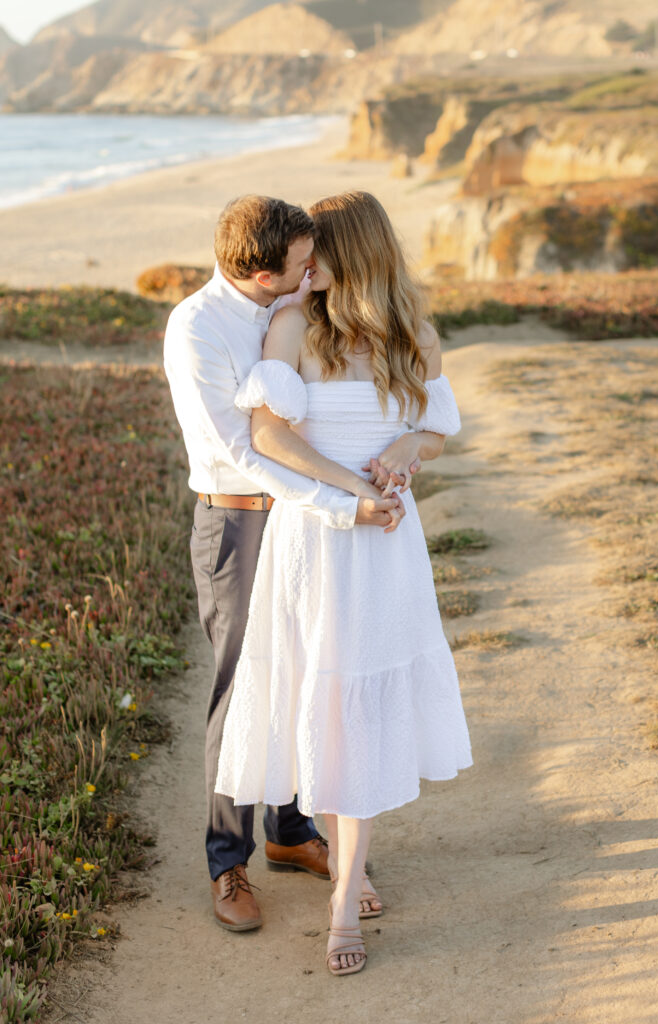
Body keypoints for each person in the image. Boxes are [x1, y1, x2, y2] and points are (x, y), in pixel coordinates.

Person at [215, 190, 473, 975]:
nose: (304, 265)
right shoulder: (292, 326)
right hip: (319, 541)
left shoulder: (412, 334)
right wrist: (347, 492)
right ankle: (341, 868)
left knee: (358, 704)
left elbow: (437, 427)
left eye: (316, 250)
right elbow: (266, 435)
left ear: (352, 252)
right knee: (323, 699)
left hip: (388, 548)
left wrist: (402, 450)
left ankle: (344, 888)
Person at [164, 195, 408, 933]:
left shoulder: (296, 308)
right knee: (244, 688)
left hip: (302, 523)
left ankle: (291, 832)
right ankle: (225, 860)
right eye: (302, 265)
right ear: (262, 272)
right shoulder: (197, 328)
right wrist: (343, 503)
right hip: (239, 522)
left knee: (310, 675)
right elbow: (245, 449)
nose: (315, 273)